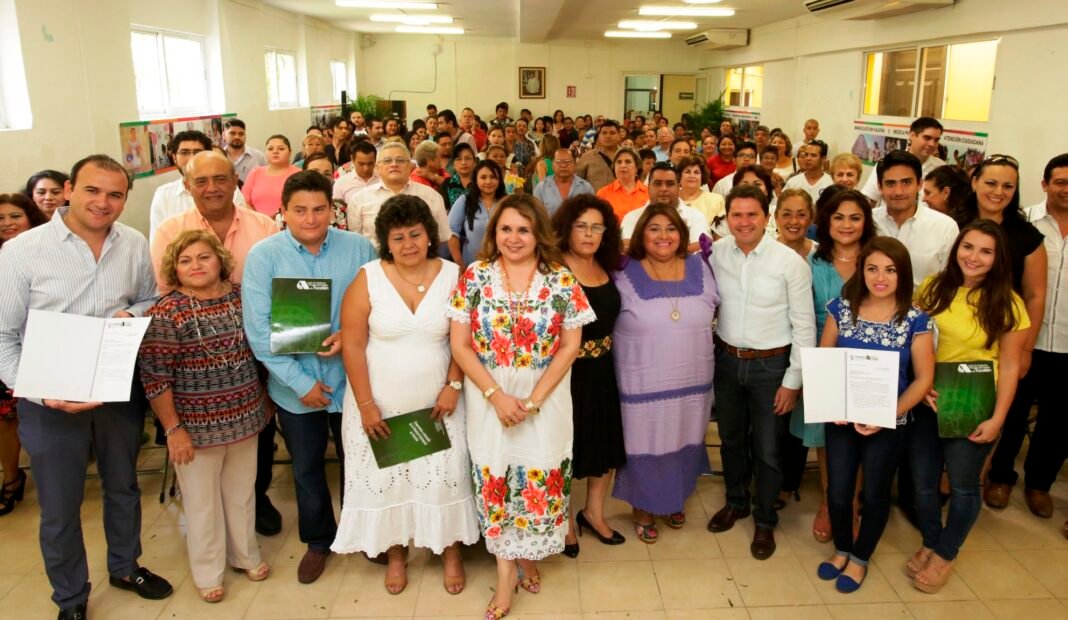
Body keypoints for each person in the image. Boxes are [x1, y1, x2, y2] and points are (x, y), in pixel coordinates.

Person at [0, 155, 173, 619]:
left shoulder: (132, 243)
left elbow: (149, 298)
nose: (103, 202)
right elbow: (2, 335)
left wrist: (132, 313)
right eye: (92, 190)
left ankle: (125, 566)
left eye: (115, 194)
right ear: (69, 190)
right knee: (60, 506)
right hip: (49, 396)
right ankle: (71, 597)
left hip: (114, 388)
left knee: (123, 486)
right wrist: (38, 392)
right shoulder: (22, 251)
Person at [446, 193, 594, 620]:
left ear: (539, 234)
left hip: (545, 401)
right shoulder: (475, 276)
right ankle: (505, 574)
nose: (514, 238)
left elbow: (570, 347)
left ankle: (528, 555)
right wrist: (497, 396)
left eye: (524, 230)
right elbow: (460, 344)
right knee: (497, 480)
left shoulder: (560, 279)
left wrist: (531, 402)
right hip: (488, 398)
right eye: (506, 229)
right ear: (494, 233)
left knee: (535, 481)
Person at [332, 195, 479, 595]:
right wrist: (366, 405)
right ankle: (396, 555)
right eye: (398, 237)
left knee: (445, 477)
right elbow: (352, 345)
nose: (408, 244)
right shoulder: (368, 277)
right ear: (386, 241)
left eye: (415, 234)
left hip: (439, 402)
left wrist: (453, 385)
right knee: (390, 479)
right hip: (380, 402)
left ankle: (450, 552)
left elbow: (465, 339)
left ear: (429, 235)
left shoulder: (454, 275)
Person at [242, 171, 378, 584]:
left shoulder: (359, 248)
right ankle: (319, 541)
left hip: (352, 381)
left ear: (332, 210)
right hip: (294, 387)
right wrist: (302, 384)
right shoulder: (264, 256)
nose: (311, 218)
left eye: (319, 209)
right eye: (299, 210)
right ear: (283, 211)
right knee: (306, 468)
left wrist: (350, 335)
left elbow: (380, 306)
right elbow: (259, 333)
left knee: (360, 461)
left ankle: (362, 532)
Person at [139, 230, 270, 603]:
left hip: (246, 417)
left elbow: (260, 351)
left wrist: (265, 400)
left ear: (220, 260)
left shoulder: (241, 296)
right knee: (202, 504)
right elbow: (155, 378)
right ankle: (208, 572)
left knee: (241, 495)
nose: (195, 265)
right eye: (185, 261)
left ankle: (245, 556)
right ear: (174, 268)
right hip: (194, 429)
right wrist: (173, 429)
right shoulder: (167, 311)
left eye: (203, 257)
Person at [908, 220, 1029, 593]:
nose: (973, 257)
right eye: (968, 247)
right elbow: (914, 342)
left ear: (998, 258)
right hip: (929, 401)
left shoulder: (1008, 303)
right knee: (923, 483)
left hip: (973, 404)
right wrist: (919, 387)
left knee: (962, 486)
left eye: (985, 251)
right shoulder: (932, 288)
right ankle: (931, 540)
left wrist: (998, 419)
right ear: (956, 248)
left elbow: (1010, 366)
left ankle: (946, 553)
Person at [816, 237, 934, 593]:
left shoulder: (915, 319)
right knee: (838, 491)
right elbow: (825, 358)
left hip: (889, 421)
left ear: (903, 274)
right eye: (872, 269)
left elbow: (924, 378)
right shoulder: (841, 309)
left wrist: (886, 413)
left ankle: (860, 557)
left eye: (890, 270)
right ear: (861, 271)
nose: (880, 278)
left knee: (875, 494)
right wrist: (833, 402)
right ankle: (842, 549)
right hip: (841, 418)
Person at [708, 184, 816, 560]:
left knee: (768, 449)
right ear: (727, 218)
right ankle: (736, 502)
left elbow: (805, 328)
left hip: (772, 366)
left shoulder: (790, 263)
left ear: (766, 217)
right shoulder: (716, 253)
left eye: (752, 214)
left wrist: (792, 382)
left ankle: (765, 519)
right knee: (731, 440)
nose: (744, 222)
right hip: (727, 360)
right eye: (736, 215)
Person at [611, 203, 719, 544]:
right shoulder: (622, 270)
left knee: (684, 435)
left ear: (682, 234)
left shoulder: (702, 266)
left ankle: (674, 497)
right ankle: (643, 506)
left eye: (671, 228)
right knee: (645, 441)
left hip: (693, 379)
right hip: (642, 380)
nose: (663, 235)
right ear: (640, 233)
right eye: (654, 228)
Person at [947, 156, 1047, 511]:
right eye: (991, 183)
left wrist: (1026, 349)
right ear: (974, 182)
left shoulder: (1026, 236)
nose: (998, 192)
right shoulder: (951, 223)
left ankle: (978, 478)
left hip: (1001, 340)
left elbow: (1035, 295)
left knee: (991, 414)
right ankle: (943, 480)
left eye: (1008, 186)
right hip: (951, 338)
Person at [552, 195, 626, 557]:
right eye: (581, 226)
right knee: (567, 447)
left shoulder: (607, 265)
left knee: (604, 444)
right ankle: (564, 520)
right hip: (566, 373)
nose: (589, 233)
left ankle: (593, 512)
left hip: (603, 368)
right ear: (567, 229)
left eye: (597, 227)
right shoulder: (553, 269)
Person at [1008, 154, 1068, 526]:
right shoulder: (1024, 223)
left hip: (1066, 341)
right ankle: (1000, 477)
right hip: (1026, 335)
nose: (1067, 189)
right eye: (1060, 181)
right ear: (1045, 184)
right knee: (1014, 412)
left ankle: (1039, 484)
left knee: (1058, 420)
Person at [0, 193, 47, 518]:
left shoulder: (41, 252)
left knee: (13, 416)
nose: (7, 223)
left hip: (33, 349)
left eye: (15, 216)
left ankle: (13, 479)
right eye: (0, 218)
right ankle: (12, 475)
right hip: (4, 346)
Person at [872, 151, 959, 287]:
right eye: (890, 183)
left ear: (919, 184)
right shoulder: (869, 220)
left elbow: (950, 282)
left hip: (926, 301)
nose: (898, 191)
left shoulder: (945, 227)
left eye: (906, 182)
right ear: (879, 187)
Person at [149, 130, 249, 244]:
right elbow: (159, 243)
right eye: (184, 152)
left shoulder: (230, 192)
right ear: (174, 157)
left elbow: (243, 234)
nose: (191, 158)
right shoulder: (164, 195)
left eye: (197, 152)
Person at [347, 142, 450, 253]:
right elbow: (355, 240)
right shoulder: (359, 199)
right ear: (377, 167)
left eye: (400, 160)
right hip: (375, 260)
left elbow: (442, 236)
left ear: (410, 166)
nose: (394, 164)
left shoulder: (432, 196)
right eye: (387, 161)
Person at [621, 161, 710, 254]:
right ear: (648, 187)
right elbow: (627, 247)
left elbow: (699, 247)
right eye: (657, 183)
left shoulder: (695, 216)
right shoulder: (632, 217)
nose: (663, 189)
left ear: (678, 187)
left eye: (670, 184)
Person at [861, 117, 946, 205]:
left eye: (936, 140)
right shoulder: (888, 163)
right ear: (912, 136)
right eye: (927, 138)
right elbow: (869, 199)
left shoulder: (941, 167)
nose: (932, 144)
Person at [449, 160, 506, 268]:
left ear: (499, 180)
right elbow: (452, 232)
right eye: (483, 177)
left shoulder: (507, 202)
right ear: (476, 180)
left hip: (503, 265)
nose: (488, 181)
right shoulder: (465, 201)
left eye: (493, 177)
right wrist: (459, 264)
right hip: (471, 265)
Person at [242, 135, 302, 218]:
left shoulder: (299, 174)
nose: (275, 152)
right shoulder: (255, 173)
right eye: (270, 149)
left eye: (281, 149)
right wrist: (260, 220)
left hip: (289, 221)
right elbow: (244, 201)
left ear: (290, 152)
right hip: (257, 222)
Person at [534, 148, 594, 216]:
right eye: (558, 162)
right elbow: (537, 217)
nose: (563, 165)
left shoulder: (586, 188)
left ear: (575, 165)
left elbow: (592, 215)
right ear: (553, 165)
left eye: (568, 162)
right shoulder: (541, 188)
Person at [596, 147, 649, 221]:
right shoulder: (603, 193)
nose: (623, 165)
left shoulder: (648, 193)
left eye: (628, 162)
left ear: (637, 167)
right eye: (619, 162)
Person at [678, 156, 726, 232]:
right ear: (679, 176)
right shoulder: (671, 200)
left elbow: (722, 232)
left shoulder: (716, 200)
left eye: (696, 172)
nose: (692, 176)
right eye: (687, 172)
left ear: (702, 176)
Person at [575, 120, 621, 192]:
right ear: (599, 136)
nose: (608, 136)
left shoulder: (628, 156)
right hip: (593, 198)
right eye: (604, 133)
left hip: (622, 198)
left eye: (612, 133)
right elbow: (577, 182)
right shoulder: (587, 157)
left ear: (619, 136)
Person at [334, 141, 380, 206]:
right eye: (361, 164)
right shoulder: (341, 183)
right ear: (352, 159)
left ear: (375, 160)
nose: (366, 168)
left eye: (370, 164)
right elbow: (336, 208)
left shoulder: (383, 179)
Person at [775, 188, 816, 258]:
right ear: (776, 217)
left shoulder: (821, 254)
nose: (793, 221)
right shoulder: (764, 252)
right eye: (787, 214)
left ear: (811, 219)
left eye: (801, 215)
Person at [224, 118, 266, 183]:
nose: (237, 137)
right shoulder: (218, 156)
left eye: (241, 134)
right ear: (223, 135)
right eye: (232, 133)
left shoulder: (258, 157)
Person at [441, 143, 477, 210]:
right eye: (458, 159)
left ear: (474, 162)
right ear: (453, 164)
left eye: (468, 158)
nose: (464, 162)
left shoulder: (480, 182)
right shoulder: (447, 184)